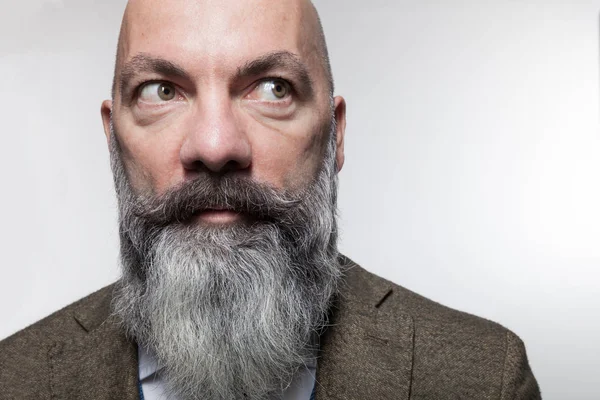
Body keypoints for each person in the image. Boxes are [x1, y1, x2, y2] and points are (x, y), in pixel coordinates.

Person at [0, 0, 541, 399]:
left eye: (273, 88)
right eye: (161, 90)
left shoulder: (483, 378)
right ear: (112, 139)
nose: (215, 147)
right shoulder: (14, 380)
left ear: (336, 135)